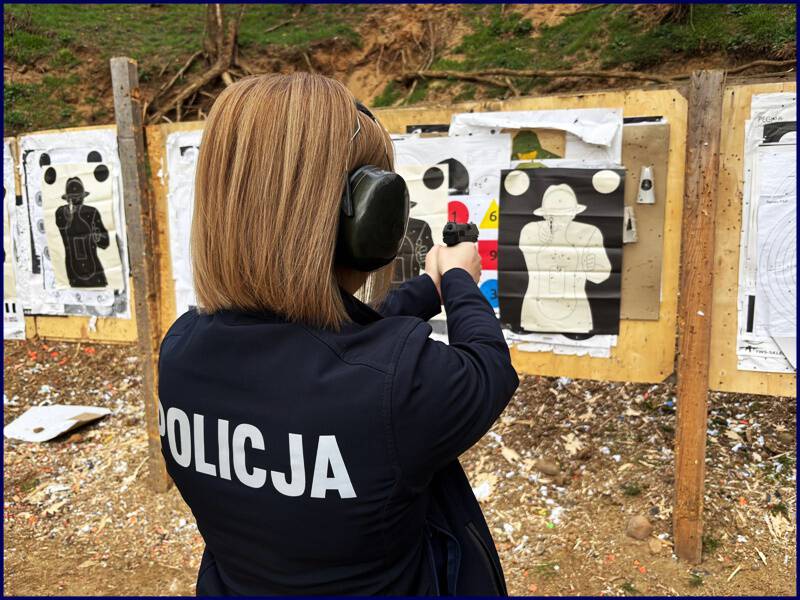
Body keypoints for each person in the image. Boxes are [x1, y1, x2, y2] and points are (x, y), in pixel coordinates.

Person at [158, 72, 519, 596]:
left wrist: (428, 286)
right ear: (365, 224)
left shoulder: (182, 351)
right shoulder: (397, 388)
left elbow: (333, 333)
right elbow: (487, 365)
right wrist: (461, 279)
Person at [519, 183, 611, 333]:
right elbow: (527, 252)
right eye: (553, 216)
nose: (559, 220)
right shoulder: (531, 230)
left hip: (576, 316)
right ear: (545, 215)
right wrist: (540, 240)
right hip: (536, 314)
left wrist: (590, 268)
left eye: (565, 214)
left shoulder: (590, 233)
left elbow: (601, 276)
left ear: (574, 214)